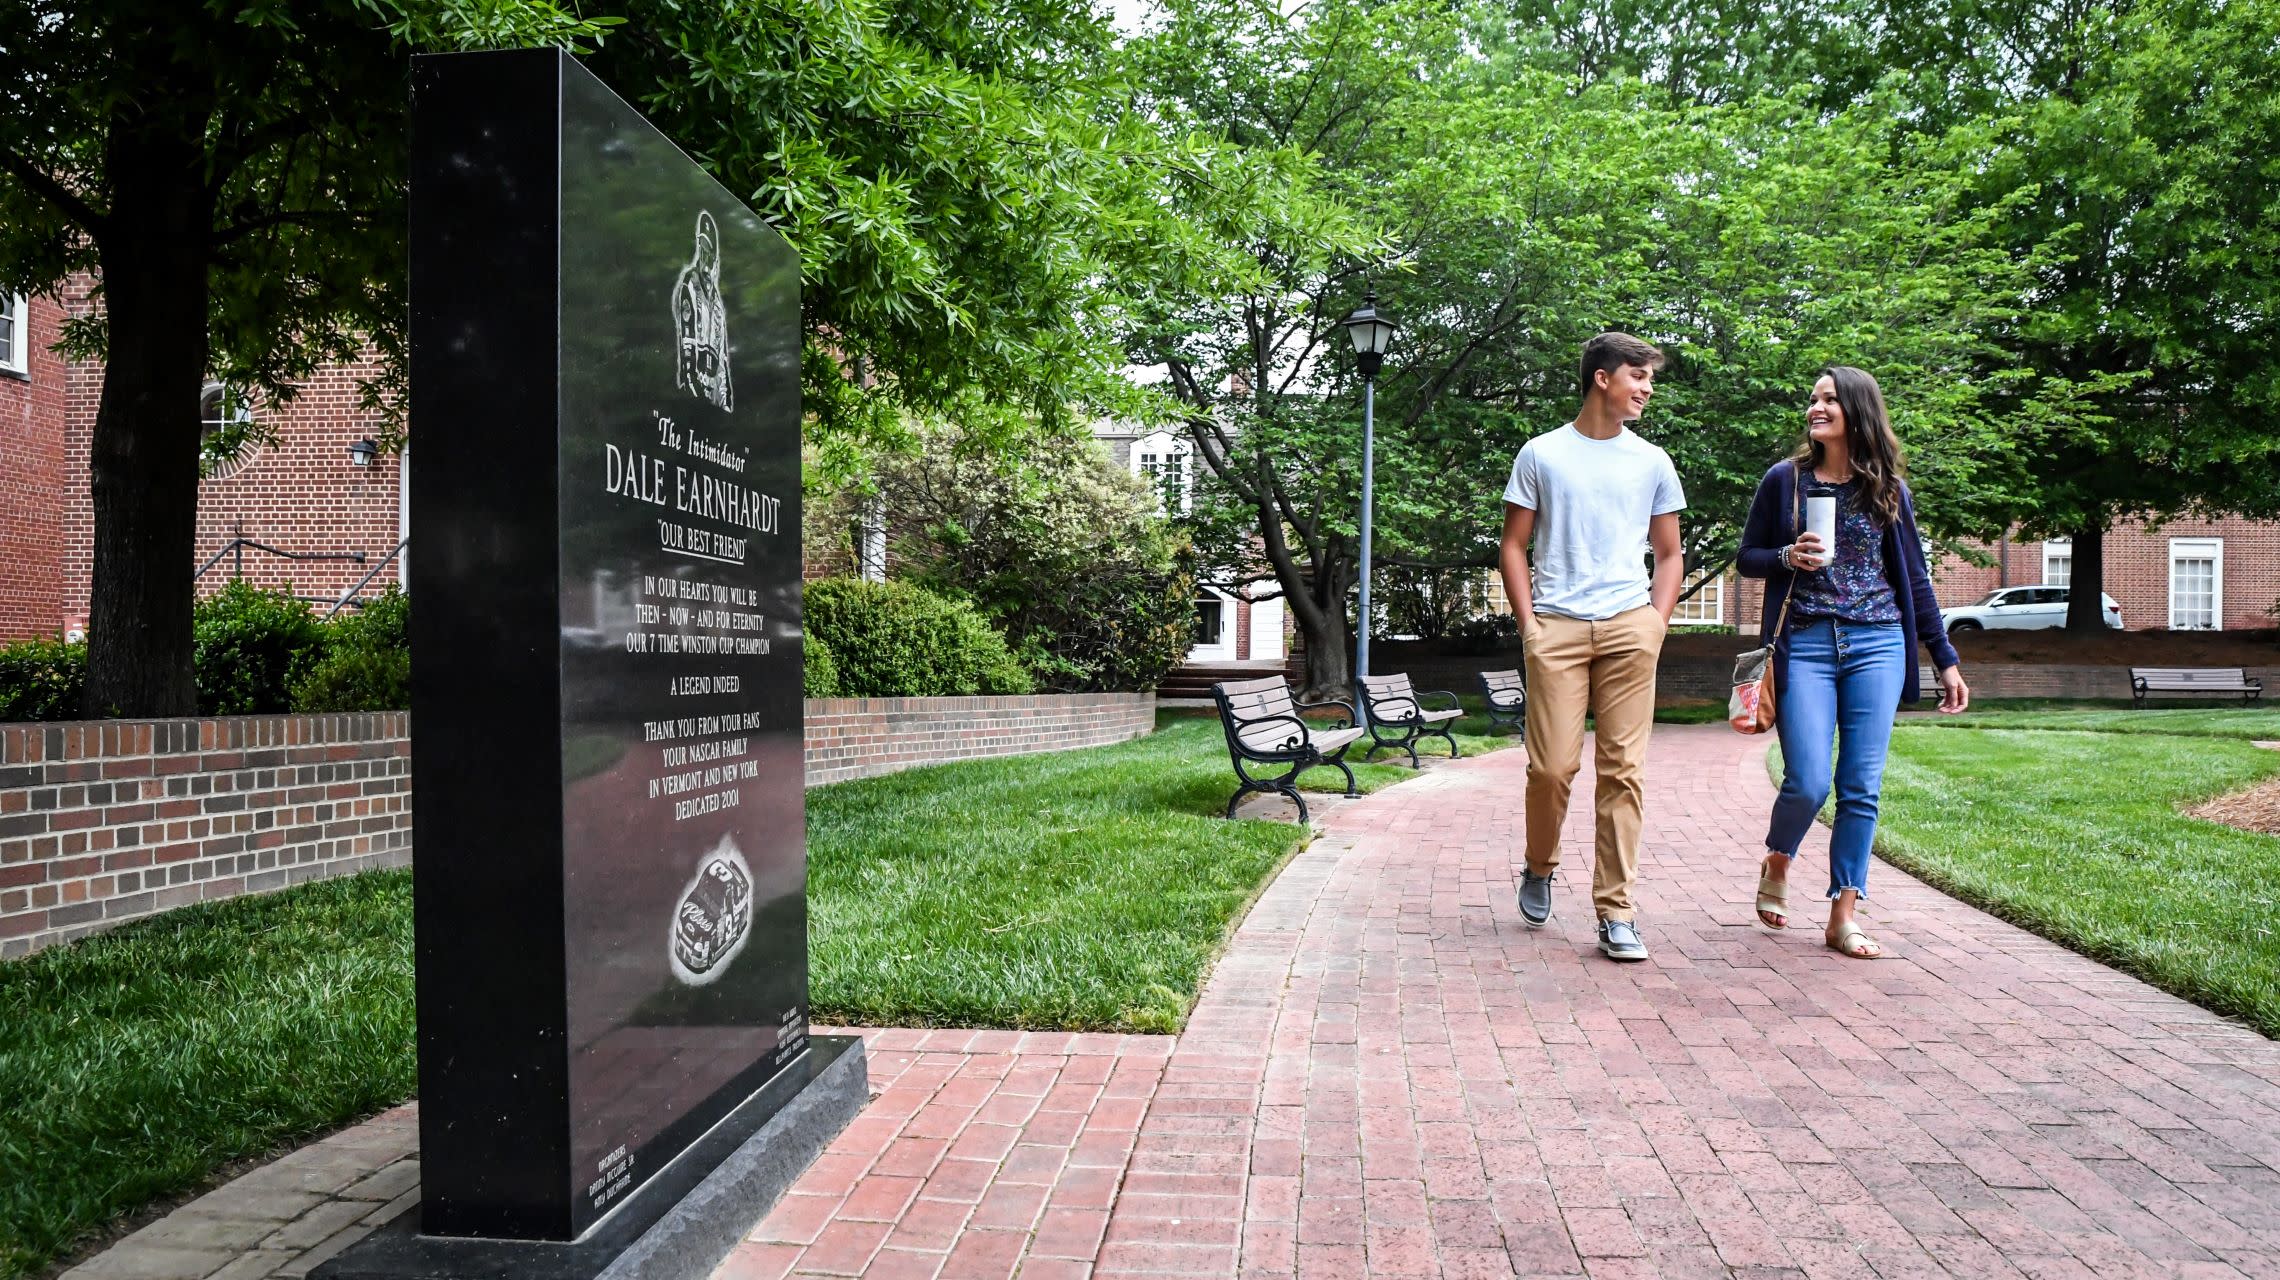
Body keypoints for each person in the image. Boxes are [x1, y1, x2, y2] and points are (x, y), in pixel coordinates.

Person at [1736, 366, 1970, 958]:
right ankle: (1779, 857)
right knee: (1809, 780)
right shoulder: (1784, 482)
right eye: (1812, 398)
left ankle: (1843, 914)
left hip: (1879, 643)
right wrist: (1788, 555)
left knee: (1860, 786)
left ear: (1857, 411)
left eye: (1829, 399)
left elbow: (1914, 579)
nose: (1815, 407)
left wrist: (1944, 658)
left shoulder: (1887, 489)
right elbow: (1747, 558)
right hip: (1807, 643)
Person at [1498, 333, 1686, 962]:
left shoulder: (1653, 462)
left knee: (1624, 771)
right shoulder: (1542, 454)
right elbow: (1513, 546)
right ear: (1603, 378)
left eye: (1649, 378)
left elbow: (1669, 554)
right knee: (1551, 768)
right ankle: (1539, 863)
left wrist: (1655, 623)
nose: (1647, 388)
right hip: (1557, 627)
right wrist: (1530, 626)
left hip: (1630, 626)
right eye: (1639, 376)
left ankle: (1616, 911)